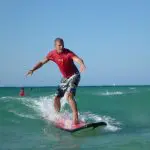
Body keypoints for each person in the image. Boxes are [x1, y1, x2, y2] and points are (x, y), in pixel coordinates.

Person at [26, 38, 86, 124]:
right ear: (55, 46)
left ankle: (75, 116)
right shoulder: (52, 54)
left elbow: (77, 59)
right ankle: (57, 115)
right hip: (65, 77)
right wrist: (33, 69)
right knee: (57, 98)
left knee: (69, 96)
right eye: (59, 45)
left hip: (74, 75)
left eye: (63, 45)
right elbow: (42, 62)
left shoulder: (68, 53)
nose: (62, 47)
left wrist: (81, 63)